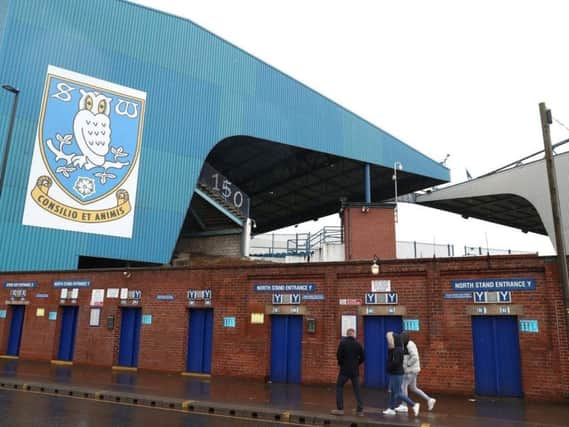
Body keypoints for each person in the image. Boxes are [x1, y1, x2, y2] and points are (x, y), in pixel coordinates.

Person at [395, 332, 436, 413]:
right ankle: (429, 399)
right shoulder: (406, 344)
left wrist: (407, 365)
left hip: (411, 370)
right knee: (413, 388)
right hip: (412, 370)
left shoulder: (410, 345)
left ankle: (404, 406)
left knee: (403, 386)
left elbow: (415, 357)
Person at [382, 332, 420, 416]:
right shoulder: (394, 349)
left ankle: (414, 405)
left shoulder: (398, 350)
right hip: (394, 373)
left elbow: (396, 362)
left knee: (397, 393)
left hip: (397, 374)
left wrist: (389, 366)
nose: (388, 341)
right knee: (392, 392)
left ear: (394, 340)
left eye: (390, 339)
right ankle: (391, 409)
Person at [331, 328, 365, 416]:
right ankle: (360, 411)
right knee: (357, 390)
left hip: (344, 371)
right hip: (355, 371)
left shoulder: (343, 343)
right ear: (353, 334)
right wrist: (357, 364)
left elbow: (338, 355)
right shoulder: (358, 344)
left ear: (347, 334)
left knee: (339, 387)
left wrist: (341, 363)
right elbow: (363, 357)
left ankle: (340, 409)